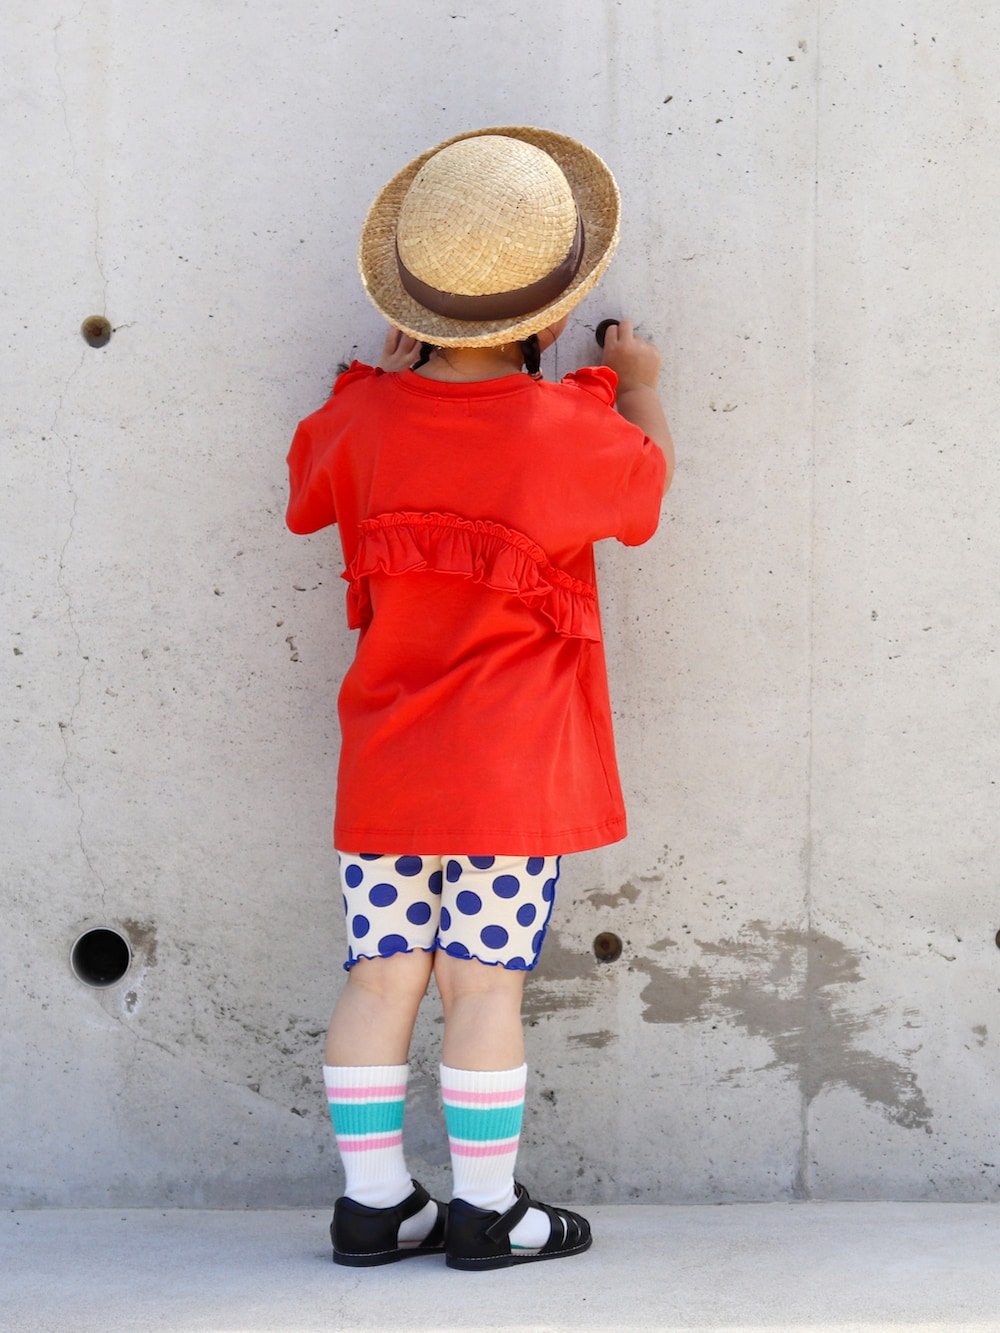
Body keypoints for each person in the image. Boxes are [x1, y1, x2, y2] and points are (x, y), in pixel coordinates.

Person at [286, 126, 674, 1271]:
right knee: (483, 983)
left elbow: (311, 486)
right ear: (551, 321)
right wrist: (641, 386)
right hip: (511, 779)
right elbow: (645, 498)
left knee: (380, 972)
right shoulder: (569, 428)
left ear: (417, 312)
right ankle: (486, 1211)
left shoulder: (361, 417)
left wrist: (383, 371)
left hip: (387, 767)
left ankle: (372, 1207)